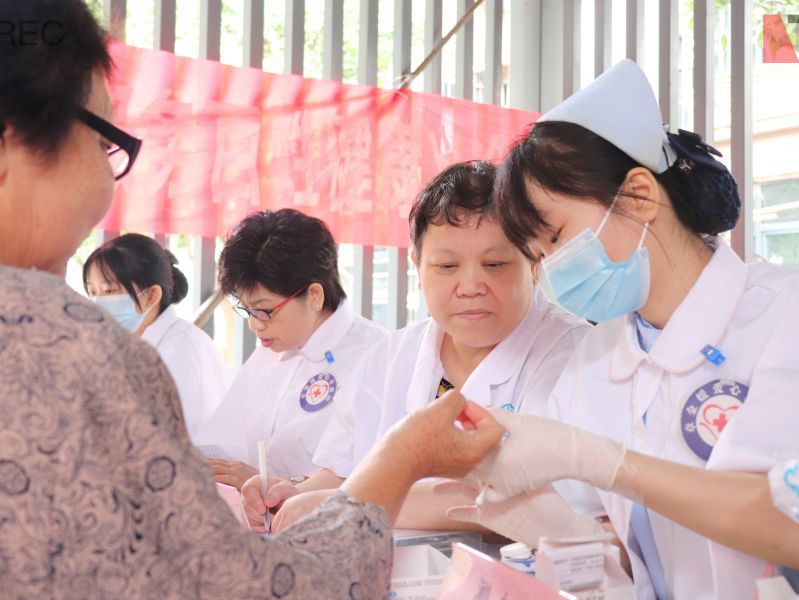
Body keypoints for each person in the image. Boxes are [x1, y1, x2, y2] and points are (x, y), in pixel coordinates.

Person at [0, 1, 506, 596]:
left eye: (495, 262)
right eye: (106, 143)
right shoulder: (66, 352)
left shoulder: (374, 350)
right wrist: (384, 466)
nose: (469, 284)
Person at [447, 59, 799, 599]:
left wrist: (603, 463)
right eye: (537, 258)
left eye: (558, 238)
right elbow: (630, 554)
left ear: (638, 195)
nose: (551, 272)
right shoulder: (593, 362)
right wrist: (555, 526)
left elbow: (786, 524)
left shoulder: (783, 314)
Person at [253, 160, 592, 533]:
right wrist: (295, 493)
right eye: (447, 266)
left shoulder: (575, 355)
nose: (471, 285)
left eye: (495, 264)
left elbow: (533, 503)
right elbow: (344, 472)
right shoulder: (388, 357)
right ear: (417, 266)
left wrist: (353, 505)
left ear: (535, 262)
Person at [194, 208, 387, 490]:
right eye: (246, 310)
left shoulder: (374, 356)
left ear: (314, 296)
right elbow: (222, 447)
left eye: (263, 310)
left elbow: (369, 480)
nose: (253, 325)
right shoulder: (270, 352)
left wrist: (272, 484)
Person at [83, 233, 230, 441]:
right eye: (92, 291)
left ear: (151, 295)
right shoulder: (124, 347)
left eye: (109, 290)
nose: (98, 301)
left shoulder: (182, 349)